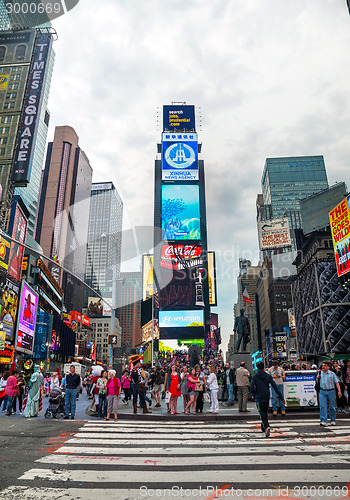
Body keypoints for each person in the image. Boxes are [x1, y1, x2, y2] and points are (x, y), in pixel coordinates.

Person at [250, 362, 285, 437]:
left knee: (261, 412)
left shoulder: (255, 376)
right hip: (266, 395)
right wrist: (281, 397)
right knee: (265, 411)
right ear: (264, 367)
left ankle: (266, 426)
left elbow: (251, 387)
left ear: (257, 367)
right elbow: (275, 387)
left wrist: (254, 393)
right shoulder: (268, 376)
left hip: (259, 396)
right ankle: (263, 427)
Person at [317, 361, 342, 426]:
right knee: (322, 406)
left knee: (332, 406)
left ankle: (333, 420)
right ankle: (323, 420)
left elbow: (337, 382)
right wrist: (317, 378)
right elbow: (317, 382)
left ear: (328, 367)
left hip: (331, 391)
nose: (323, 367)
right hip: (322, 391)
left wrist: (339, 391)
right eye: (322, 366)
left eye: (325, 366)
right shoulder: (320, 373)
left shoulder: (332, 374)